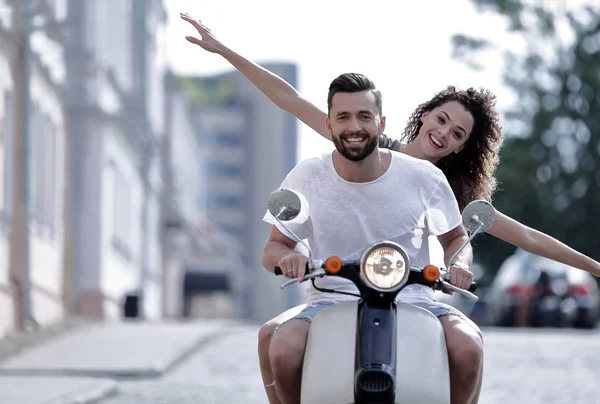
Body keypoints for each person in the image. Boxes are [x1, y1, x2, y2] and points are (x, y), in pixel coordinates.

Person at [180, 12, 600, 404]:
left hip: (412, 293)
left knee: (468, 346)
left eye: (457, 134)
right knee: (275, 339)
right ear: (424, 115)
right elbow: (288, 99)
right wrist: (224, 50)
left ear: (461, 147)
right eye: (440, 119)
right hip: (336, 288)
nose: (443, 134)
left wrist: (595, 267)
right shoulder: (364, 144)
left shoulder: (447, 188)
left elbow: (521, 237)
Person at [261, 71, 478, 404]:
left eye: (364, 116)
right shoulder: (307, 176)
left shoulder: (424, 177)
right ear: (329, 124)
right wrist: (289, 259)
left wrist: (459, 264)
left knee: (468, 347)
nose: (355, 127)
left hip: (414, 298)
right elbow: (273, 248)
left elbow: (455, 239)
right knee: (283, 349)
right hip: (328, 299)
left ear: (381, 123)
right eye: (343, 117)